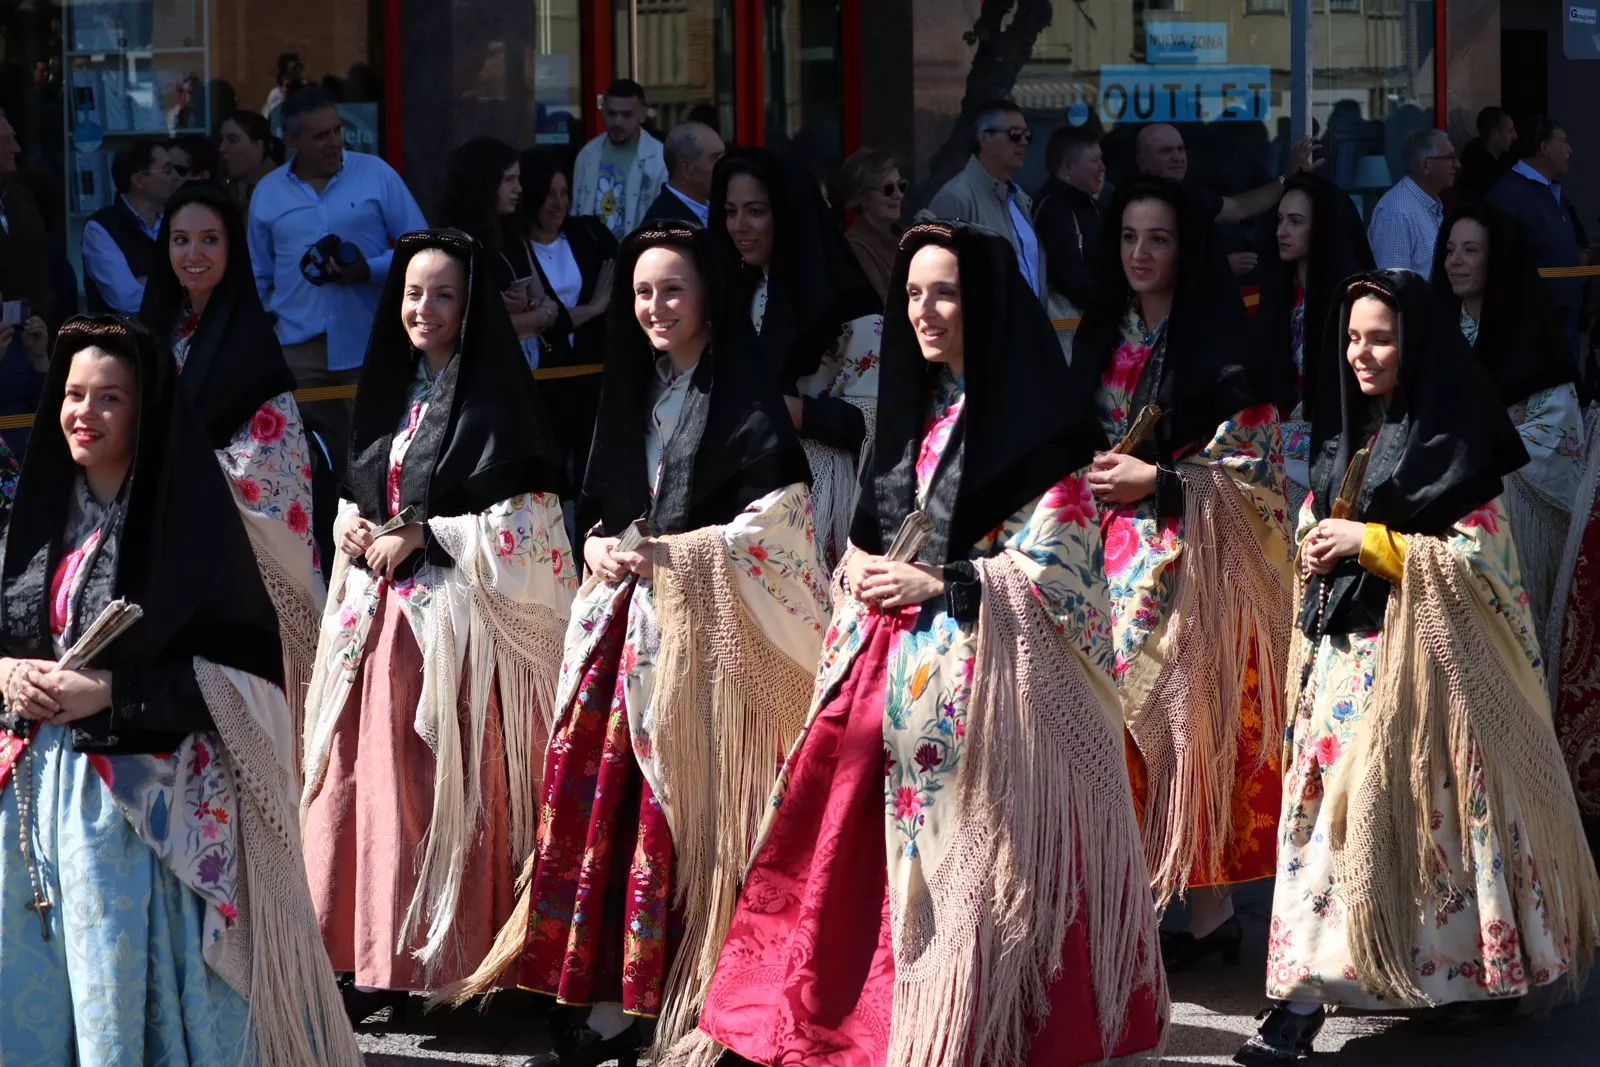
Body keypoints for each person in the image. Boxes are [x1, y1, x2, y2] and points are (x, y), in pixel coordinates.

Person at [671, 219, 1167, 1067]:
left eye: (944, 292)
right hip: (894, 671)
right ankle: (854, 1019)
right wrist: (862, 569)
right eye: (911, 294)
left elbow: (1066, 570)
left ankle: (979, 1020)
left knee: (979, 867)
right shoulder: (920, 412)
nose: (924, 311)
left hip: (993, 694)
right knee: (845, 840)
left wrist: (946, 582)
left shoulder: (1043, 423)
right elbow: (878, 530)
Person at [441, 224, 829, 1067]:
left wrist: (675, 555)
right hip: (624, 640)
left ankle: (706, 993)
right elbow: (599, 507)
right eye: (643, 292)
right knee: (611, 824)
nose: (656, 307)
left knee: (686, 825)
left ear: (709, 297)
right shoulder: (634, 390)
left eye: (674, 290)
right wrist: (598, 545)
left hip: (708, 651)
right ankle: (619, 995)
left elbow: (784, 526)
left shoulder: (744, 398)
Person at [1236, 270, 1600, 1064]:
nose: (1362, 353)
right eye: (1354, 337)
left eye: (1382, 338)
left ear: (1417, 344)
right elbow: (1321, 515)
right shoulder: (1346, 433)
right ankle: (1300, 998)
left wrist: (1369, 543)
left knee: (1421, 824)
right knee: (1331, 821)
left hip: (1425, 673)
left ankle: (1456, 980)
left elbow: (1484, 568)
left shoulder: (1457, 442)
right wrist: (1314, 535)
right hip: (1341, 666)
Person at [0, 313, 361, 1066]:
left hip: (141, 811)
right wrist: (8, 671)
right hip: (39, 798)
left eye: (109, 398)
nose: (84, 414)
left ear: (146, 409)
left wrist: (114, 691)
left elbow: (247, 677)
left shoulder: (193, 529)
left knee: (118, 992)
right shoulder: (38, 518)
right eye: (72, 394)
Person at [299, 230, 575, 1005]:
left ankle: (447, 967)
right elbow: (364, 484)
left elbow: (532, 518)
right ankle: (363, 955)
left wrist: (434, 534)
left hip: (451, 637)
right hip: (377, 629)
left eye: (444, 294)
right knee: (359, 786)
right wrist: (349, 522)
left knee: (433, 793)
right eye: (414, 293)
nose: (425, 308)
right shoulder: (390, 387)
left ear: (471, 305)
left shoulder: (497, 398)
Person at [1075, 176, 1294, 957]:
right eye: (1129, 237)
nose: (1140, 252)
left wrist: (1160, 483)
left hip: (1192, 564)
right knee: (1111, 732)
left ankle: (1208, 916)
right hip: (1099, 557)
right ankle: (1128, 903)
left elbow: (1258, 478)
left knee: (1188, 730)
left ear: (1185, 248)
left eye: (1158, 238)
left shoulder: (1222, 347)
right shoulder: (1100, 334)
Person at [139, 181, 327, 743]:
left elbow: (271, 467)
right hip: (162, 549)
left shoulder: (251, 343)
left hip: (235, 558)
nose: (193, 254)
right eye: (180, 239)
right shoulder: (155, 332)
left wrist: (170, 477)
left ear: (232, 248)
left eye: (209, 239)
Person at [712, 147, 883, 568]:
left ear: (786, 213)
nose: (739, 226)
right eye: (730, 211)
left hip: (814, 502)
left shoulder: (846, 302)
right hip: (742, 495)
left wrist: (794, 412)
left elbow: (876, 419)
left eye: (755, 211)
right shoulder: (739, 292)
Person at [248, 86, 427, 483]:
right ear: (291, 140)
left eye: (336, 131)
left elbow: (422, 246)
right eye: (320, 135)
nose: (333, 142)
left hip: (366, 341)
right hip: (297, 348)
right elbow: (258, 274)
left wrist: (370, 269)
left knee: (378, 456)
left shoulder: (376, 174)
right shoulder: (269, 193)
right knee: (299, 461)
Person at [1432, 202, 1582, 667]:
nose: (1455, 260)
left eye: (1470, 250)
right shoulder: (1439, 332)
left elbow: (1556, 434)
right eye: (1450, 249)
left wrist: (1474, 460)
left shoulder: (1532, 334)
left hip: (1506, 512)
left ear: (1496, 259)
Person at [1254, 173, 1375, 515]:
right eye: (1279, 220)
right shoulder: (1277, 295)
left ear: (1321, 229)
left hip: (1335, 449)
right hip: (1275, 445)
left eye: (1295, 222)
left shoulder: (1358, 301)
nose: (1282, 231)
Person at [513, 149, 619, 488]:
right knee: (548, 480)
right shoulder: (516, 252)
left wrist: (578, 315)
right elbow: (549, 322)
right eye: (549, 195)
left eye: (564, 193)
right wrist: (593, 307)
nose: (559, 203)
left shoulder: (589, 233)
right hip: (542, 386)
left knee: (597, 477)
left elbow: (621, 287)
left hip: (593, 379)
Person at [1133, 122, 1319, 277]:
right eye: (1165, 151)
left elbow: (1241, 208)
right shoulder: (1135, 203)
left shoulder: (1189, 196)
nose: (1177, 157)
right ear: (1142, 161)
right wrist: (1220, 266)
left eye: (1180, 149)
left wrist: (1287, 177)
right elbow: (1150, 268)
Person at [1489, 115, 1591, 370]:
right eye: (1563, 141)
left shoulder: (1548, 190)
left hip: (1562, 321)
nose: (1570, 150)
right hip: (1535, 329)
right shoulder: (1509, 196)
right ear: (1544, 147)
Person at [928, 101, 1044, 299]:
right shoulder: (956, 197)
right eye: (1014, 134)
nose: (1023, 142)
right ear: (984, 138)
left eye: (1027, 136)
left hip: (1027, 326)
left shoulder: (1019, 199)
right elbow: (939, 280)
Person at [0, 106, 53, 458]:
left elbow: (43, 274)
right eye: (5, 140)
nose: (16, 148)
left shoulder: (20, 200)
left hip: (31, 344)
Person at [82, 140, 180, 313]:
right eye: (167, 170)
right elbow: (127, 300)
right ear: (139, 180)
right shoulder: (100, 229)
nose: (176, 177)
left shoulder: (177, 220)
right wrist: (179, 283)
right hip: (123, 339)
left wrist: (147, 281)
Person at [572, 79, 667, 239]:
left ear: (643, 115)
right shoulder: (587, 154)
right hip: (592, 257)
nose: (617, 121)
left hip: (638, 257)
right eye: (611, 113)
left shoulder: (659, 159)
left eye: (626, 115)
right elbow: (577, 209)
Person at [1367, 128, 1458, 278]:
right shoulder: (1397, 213)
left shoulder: (1430, 203)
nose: (1457, 164)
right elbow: (1392, 286)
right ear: (1425, 166)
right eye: (1450, 158)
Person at [1034, 124, 1106, 314]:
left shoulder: (1092, 206)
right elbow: (1070, 276)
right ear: (1067, 166)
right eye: (1094, 160)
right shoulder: (1053, 210)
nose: (1102, 168)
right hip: (1069, 328)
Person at [830, 147, 906, 303]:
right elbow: (884, 307)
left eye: (901, 186)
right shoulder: (856, 248)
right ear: (862, 198)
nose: (898, 195)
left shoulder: (905, 238)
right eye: (888, 189)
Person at [642, 121, 724, 227]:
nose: (723, 164)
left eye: (723, 156)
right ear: (686, 168)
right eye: (715, 158)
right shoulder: (665, 228)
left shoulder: (718, 210)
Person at [218, 108, 284, 215]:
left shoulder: (283, 192)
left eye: (232, 140)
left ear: (257, 145)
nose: (222, 148)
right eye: (221, 140)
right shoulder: (227, 190)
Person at [1458, 105, 1517, 203]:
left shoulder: (1506, 157)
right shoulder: (1477, 166)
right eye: (1510, 131)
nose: (1515, 135)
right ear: (1494, 134)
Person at [264, 52, 304, 117]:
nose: (297, 73)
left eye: (298, 69)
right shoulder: (275, 94)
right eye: (293, 70)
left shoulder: (306, 92)